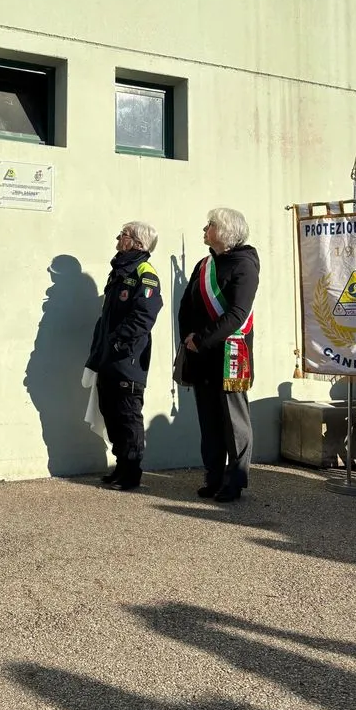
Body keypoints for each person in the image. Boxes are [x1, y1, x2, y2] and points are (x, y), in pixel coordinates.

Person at [178, 207, 260, 502]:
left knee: (233, 421)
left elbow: (238, 314)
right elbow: (186, 306)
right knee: (209, 421)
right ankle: (213, 477)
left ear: (225, 231)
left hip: (230, 355)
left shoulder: (244, 265)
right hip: (201, 354)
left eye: (210, 224)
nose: (204, 228)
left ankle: (235, 481)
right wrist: (187, 339)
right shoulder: (204, 265)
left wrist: (201, 339)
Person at [85, 221, 163, 490]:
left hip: (128, 358)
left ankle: (132, 472)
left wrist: (119, 342)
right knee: (110, 410)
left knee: (128, 414)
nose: (118, 238)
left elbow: (145, 315)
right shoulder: (119, 270)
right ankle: (120, 466)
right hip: (108, 356)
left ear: (137, 243)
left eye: (124, 235)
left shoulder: (145, 272)